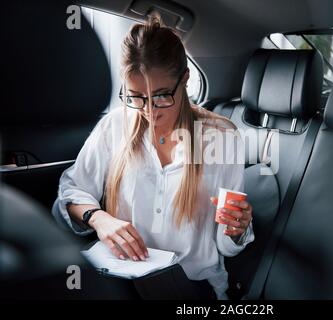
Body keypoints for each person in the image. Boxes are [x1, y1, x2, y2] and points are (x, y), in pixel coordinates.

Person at [52, 14, 254, 300]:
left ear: (184, 80)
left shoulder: (222, 138)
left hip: (189, 286)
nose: (149, 111)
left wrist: (236, 230)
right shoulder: (114, 125)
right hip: (120, 279)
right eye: (136, 97)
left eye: (161, 96)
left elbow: (225, 244)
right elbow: (71, 192)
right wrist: (99, 219)